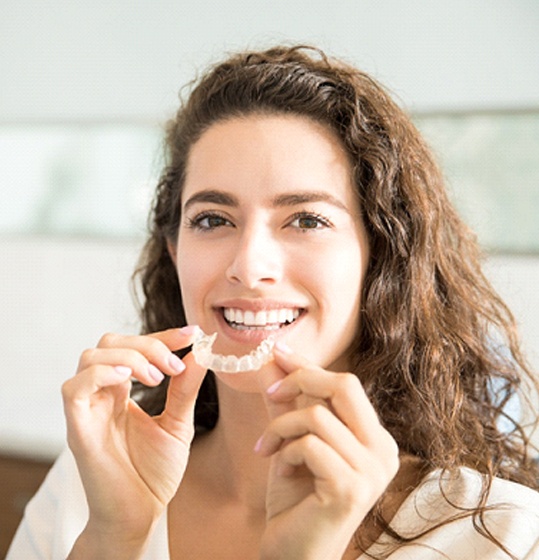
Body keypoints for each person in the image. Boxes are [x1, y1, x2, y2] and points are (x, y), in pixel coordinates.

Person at [8, 45, 539, 560]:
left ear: (381, 258)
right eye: (213, 219)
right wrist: (111, 541)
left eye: (307, 219)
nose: (248, 265)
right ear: (175, 251)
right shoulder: (88, 489)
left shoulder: (502, 536)